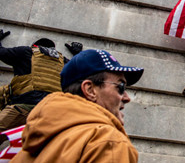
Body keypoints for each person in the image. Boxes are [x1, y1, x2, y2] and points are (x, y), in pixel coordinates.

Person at [12, 49, 144, 162]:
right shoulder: (107, 142)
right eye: (121, 86)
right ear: (90, 90)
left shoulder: (26, 150)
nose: (127, 98)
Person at [0, 31, 83, 131]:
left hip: (23, 107)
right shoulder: (64, 61)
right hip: (51, 114)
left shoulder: (27, 52)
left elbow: (1, 52)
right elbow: (81, 73)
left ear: (35, 46)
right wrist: (78, 54)